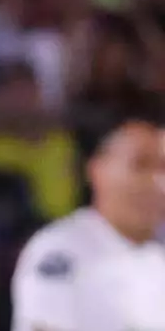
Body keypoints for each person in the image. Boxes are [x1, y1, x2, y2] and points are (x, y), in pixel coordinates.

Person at [10, 117, 165, 331]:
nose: (158, 182)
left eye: (163, 168)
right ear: (97, 170)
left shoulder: (158, 253)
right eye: (141, 165)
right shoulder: (60, 249)